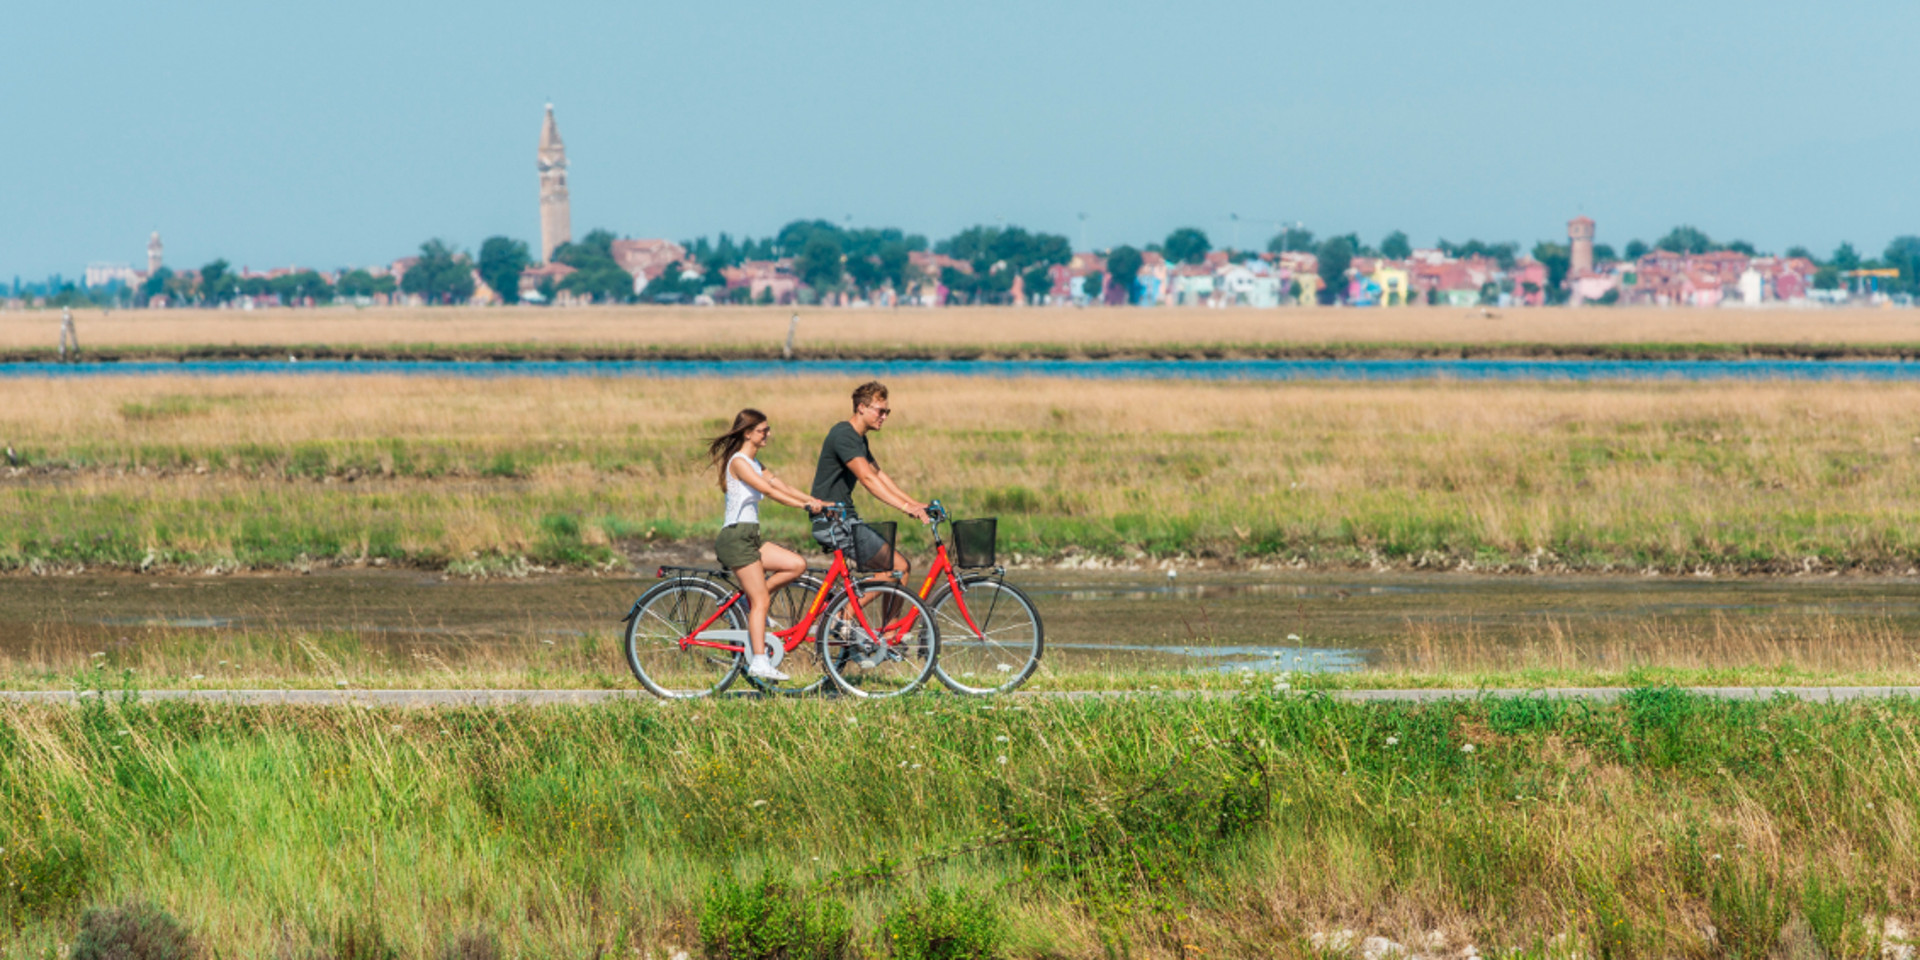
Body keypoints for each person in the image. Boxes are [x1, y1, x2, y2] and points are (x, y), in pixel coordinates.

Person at [707, 409, 823, 682]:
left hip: (750, 538)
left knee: (796, 565)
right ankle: (759, 662)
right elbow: (770, 491)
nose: (768, 434)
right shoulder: (739, 462)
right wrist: (803, 506)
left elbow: (781, 485)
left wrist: (816, 500)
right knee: (762, 600)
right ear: (748, 433)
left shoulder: (755, 462)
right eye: (763, 430)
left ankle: (749, 605)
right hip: (735, 538)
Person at [809, 381, 927, 580]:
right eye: (880, 411)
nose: (884, 417)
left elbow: (879, 474)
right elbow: (867, 478)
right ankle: (844, 613)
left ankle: (862, 612)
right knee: (899, 568)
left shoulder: (858, 438)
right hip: (834, 522)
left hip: (845, 520)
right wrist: (905, 507)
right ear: (861, 408)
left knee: (893, 569)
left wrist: (915, 504)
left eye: (887, 412)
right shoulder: (844, 434)